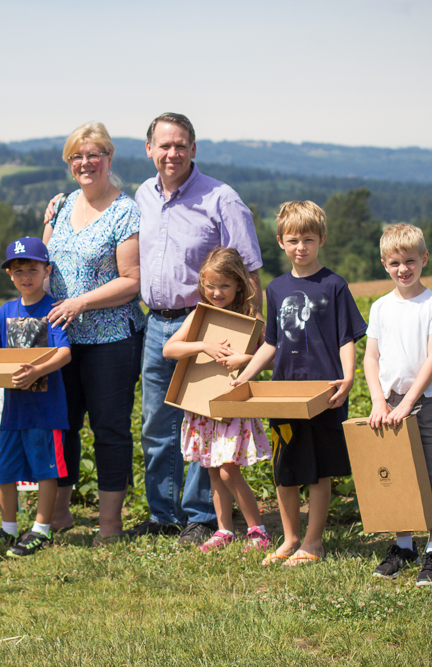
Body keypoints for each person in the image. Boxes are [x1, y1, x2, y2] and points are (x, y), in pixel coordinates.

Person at [131, 112, 264, 546]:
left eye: (181, 144)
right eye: (164, 145)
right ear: (149, 149)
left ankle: (202, 516)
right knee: (158, 424)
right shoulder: (143, 195)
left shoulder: (222, 198)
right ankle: (163, 513)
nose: (172, 153)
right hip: (159, 327)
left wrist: (250, 337)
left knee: (206, 421)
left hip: (209, 326)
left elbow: (250, 274)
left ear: (194, 149)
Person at [234, 201, 367, 567]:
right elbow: (272, 345)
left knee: (319, 471)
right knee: (286, 469)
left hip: (325, 394)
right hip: (284, 395)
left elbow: (346, 338)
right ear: (279, 241)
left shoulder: (335, 285)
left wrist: (349, 377)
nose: (301, 247)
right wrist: (246, 376)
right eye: (293, 240)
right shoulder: (275, 289)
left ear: (322, 239)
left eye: (309, 239)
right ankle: (290, 537)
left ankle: (314, 541)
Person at [42, 122, 144, 545]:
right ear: (70, 165)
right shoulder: (61, 206)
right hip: (63, 339)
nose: (86, 163)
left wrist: (81, 302)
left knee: (109, 429)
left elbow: (132, 279)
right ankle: (60, 513)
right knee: (62, 426)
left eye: (93, 155)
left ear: (109, 158)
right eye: (76, 157)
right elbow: (43, 264)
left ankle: (109, 524)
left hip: (111, 338)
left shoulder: (126, 211)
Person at [0, 237, 72, 558]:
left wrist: (36, 371)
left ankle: (41, 531)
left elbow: (64, 354)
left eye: (32, 269)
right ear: (10, 276)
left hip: (47, 409)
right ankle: (8, 530)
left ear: (46, 270)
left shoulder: (54, 309)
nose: (25, 276)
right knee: (4, 471)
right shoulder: (5, 312)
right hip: (14, 411)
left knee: (46, 470)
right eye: (18, 271)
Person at [162, 247, 272, 552]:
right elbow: (169, 349)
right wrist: (203, 346)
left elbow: (271, 359)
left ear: (239, 284)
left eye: (224, 285)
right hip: (202, 407)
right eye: (210, 286)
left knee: (227, 469)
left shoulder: (250, 317)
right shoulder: (200, 316)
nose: (216, 292)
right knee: (212, 469)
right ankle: (224, 530)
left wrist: (245, 358)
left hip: (231, 406)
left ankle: (257, 530)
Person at [364, 223, 432, 585]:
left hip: (425, 401)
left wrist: (408, 403)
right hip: (388, 403)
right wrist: (379, 402)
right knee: (396, 476)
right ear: (384, 263)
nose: (403, 269)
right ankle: (404, 546)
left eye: (410, 261)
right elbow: (371, 358)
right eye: (395, 262)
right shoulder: (380, 307)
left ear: (424, 259)